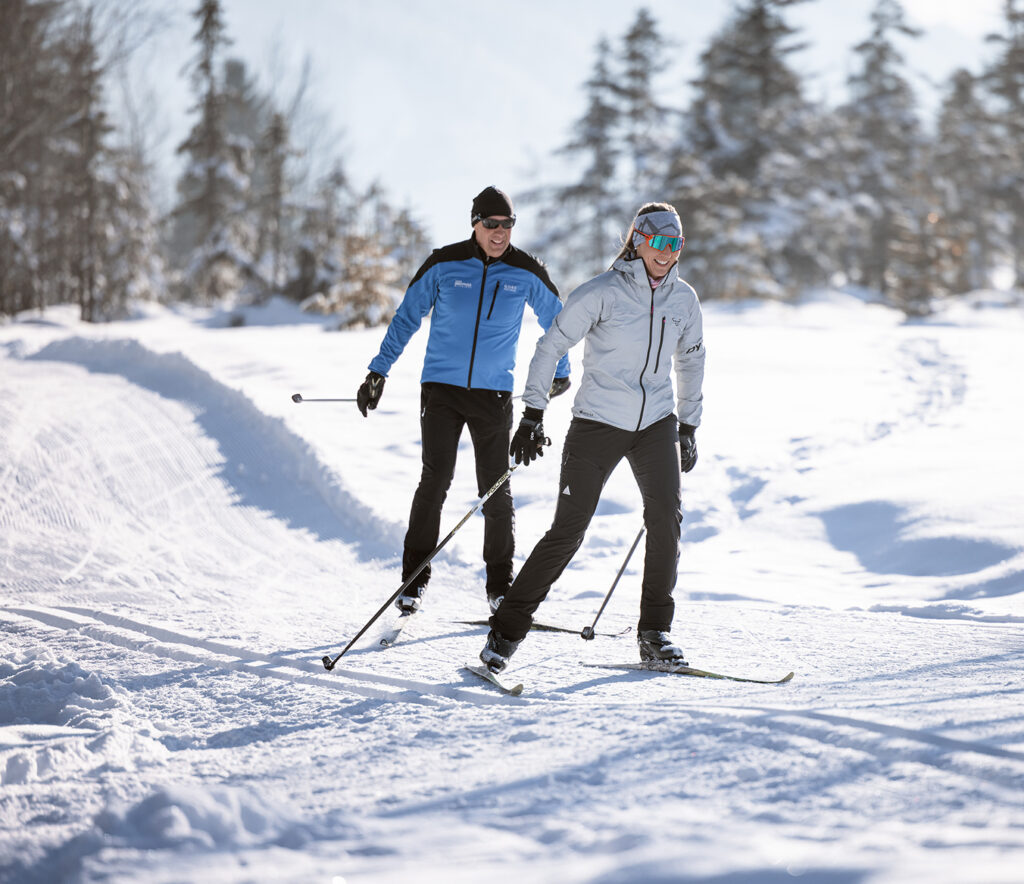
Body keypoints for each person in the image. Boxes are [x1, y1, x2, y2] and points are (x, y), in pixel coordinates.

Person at [480, 202, 705, 672]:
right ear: (638, 240)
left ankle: (654, 633)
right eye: (660, 242)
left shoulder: (683, 300)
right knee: (569, 531)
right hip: (597, 423)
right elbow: (552, 344)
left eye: (676, 244)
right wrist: (533, 412)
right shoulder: (602, 292)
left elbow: (691, 360)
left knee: (666, 519)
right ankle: (505, 634)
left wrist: (688, 424)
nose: (667, 253)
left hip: (655, 422)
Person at [358, 186, 571, 614]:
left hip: (493, 395)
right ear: (474, 223)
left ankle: (499, 586)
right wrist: (378, 370)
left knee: (495, 489)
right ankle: (413, 582)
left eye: (507, 224)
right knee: (434, 481)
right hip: (441, 389)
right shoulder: (443, 262)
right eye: (491, 224)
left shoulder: (525, 270)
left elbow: (560, 322)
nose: (499, 232)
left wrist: (561, 372)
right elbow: (406, 317)